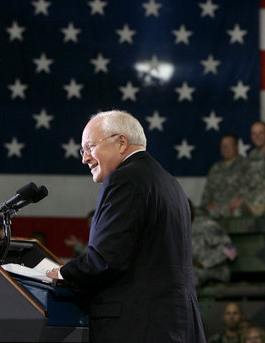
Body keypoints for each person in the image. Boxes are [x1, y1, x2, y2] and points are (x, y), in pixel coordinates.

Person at [46, 111, 205, 342]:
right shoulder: (167, 181)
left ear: (121, 142)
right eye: (83, 150)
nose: (85, 158)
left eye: (90, 147)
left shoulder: (125, 179)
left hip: (139, 327)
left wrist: (60, 273)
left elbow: (105, 260)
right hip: (173, 324)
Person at [229, 121, 265, 216]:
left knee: (242, 212)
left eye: (261, 133)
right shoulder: (251, 156)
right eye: (254, 134)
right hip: (251, 197)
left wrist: (246, 199)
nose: (257, 136)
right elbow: (245, 182)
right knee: (233, 210)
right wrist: (239, 198)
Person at [190, 201, 236, 287]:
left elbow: (230, 250)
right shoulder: (174, 229)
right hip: (190, 270)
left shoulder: (206, 225)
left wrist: (203, 263)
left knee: (186, 276)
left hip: (214, 271)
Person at [201, 134, 248, 218]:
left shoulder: (246, 166)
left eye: (229, 145)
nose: (225, 148)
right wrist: (206, 205)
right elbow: (207, 192)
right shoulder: (216, 168)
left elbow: (249, 189)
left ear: (236, 147)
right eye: (223, 145)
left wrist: (241, 201)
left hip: (234, 209)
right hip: (214, 211)